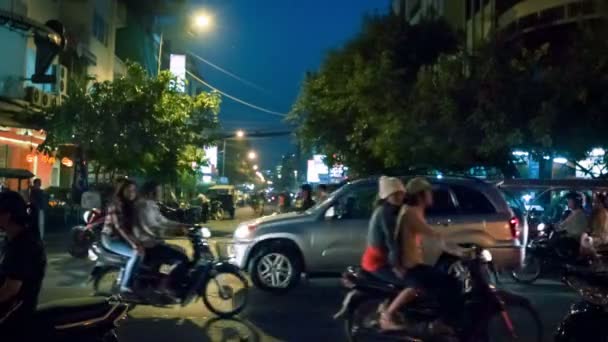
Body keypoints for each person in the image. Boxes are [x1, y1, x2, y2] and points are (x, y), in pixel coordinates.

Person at [395, 177, 461, 332]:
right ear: (420, 195)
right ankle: (441, 322)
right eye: (428, 192)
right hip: (411, 267)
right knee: (450, 284)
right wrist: (460, 251)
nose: (431, 195)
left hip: (413, 263)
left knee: (444, 276)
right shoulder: (410, 213)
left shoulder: (413, 210)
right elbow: (434, 235)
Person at [360, 176, 408, 331]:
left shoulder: (388, 210)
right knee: (408, 283)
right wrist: (397, 266)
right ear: (387, 196)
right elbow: (391, 242)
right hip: (376, 262)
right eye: (395, 195)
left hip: (378, 259)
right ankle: (387, 315)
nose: (399, 197)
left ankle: (385, 308)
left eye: (401, 193)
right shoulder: (385, 213)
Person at [0, 191, 46, 338]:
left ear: (6, 216)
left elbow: (10, 290)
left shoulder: (24, 245)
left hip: (13, 316)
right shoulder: (11, 240)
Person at [135, 181, 189, 294]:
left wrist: (180, 225)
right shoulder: (144, 205)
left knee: (181, 251)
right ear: (151, 192)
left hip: (154, 241)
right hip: (148, 242)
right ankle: (162, 284)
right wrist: (172, 230)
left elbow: (163, 220)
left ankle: (166, 281)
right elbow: (152, 225)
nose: (161, 193)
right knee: (178, 258)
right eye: (159, 191)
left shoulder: (152, 205)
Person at [100, 179, 141, 293]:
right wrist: (133, 244)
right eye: (128, 190)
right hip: (110, 238)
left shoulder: (130, 204)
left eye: (134, 190)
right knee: (135, 254)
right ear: (122, 191)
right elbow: (119, 227)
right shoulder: (116, 204)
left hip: (121, 237)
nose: (132, 192)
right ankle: (125, 285)